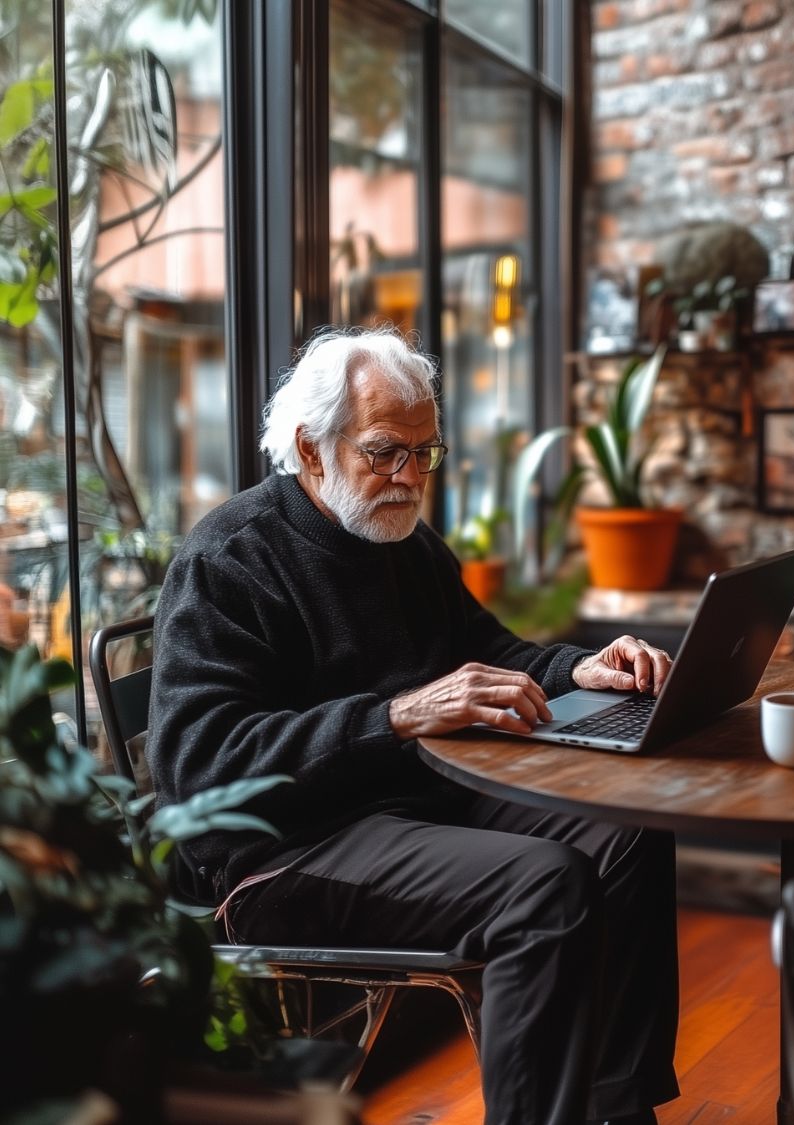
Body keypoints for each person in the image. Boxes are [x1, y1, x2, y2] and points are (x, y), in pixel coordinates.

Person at [148, 327, 678, 1125]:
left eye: (425, 453)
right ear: (312, 449)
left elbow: (486, 652)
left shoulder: (400, 538)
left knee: (628, 834)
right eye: (386, 451)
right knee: (544, 885)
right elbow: (202, 767)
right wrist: (397, 716)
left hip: (416, 804)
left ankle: (614, 1109)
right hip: (284, 851)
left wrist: (578, 667)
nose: (410, 477)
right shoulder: (229, 559)